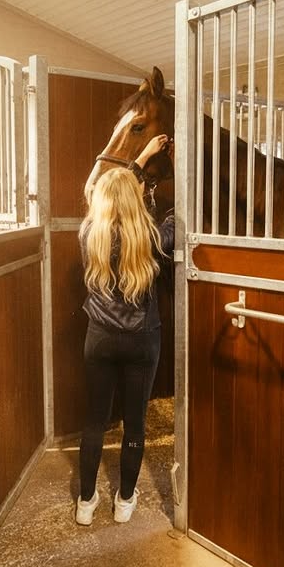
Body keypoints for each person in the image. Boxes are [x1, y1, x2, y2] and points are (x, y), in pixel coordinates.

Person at [75, 133, 174, 526]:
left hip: (99, 338)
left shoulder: (88, 234)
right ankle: (125, 501)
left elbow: (104, 189)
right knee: (135, 424)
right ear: (136, 201)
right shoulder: (152, 237)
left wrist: (140, 158)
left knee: (94, 421)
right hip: (141, 341)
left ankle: (86, 503)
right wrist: (169, 167)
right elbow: (176, 219)